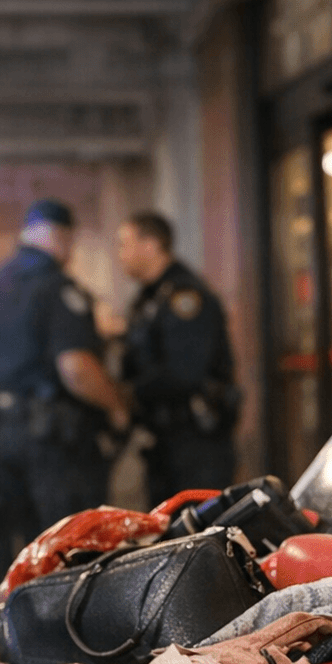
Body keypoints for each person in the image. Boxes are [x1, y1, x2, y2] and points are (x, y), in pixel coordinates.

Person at [0, 199, 131, 591]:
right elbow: (77, 369)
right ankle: (62, 636)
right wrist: (117, 407)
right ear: (62, 237)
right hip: (52, 442)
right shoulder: (56, 287)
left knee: (7, 543)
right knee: (63, 542)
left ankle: (2, 631)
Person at [118, 211, 240, 505]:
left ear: (151, 245)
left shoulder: (184, 296)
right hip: (163, 440)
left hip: (195, 441)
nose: (120, 254)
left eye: (125, 244)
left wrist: (127, 394)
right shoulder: (149, 297)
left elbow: (185, 373)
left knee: (198, 530)